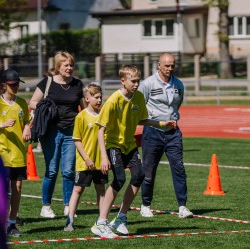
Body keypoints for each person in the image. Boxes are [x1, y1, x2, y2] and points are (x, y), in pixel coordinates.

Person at [91, 65, 176, 238]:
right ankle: (101, 222)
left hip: (129, 144)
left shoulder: (138, 97)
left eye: (138, 81)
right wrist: (104, 157)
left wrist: (161, 123)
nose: (137, 84)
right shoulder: (114, 100)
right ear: (123, 81)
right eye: (134, 81)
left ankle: (121, 217)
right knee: (120, 178)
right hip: (113, 144)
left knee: (139, 176)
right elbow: (100, 129)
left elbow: (143, 120)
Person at [29, 51, 85, 218]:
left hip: (71, 131)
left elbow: (83, 109)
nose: (69, 68)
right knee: (52, 170)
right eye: (65, 65)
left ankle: (69, 206)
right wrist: (44, 107)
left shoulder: (78, 84)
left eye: (71, 65)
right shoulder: (47, 82)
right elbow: (32, 102)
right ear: (58, 66)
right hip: (50, 132)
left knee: (68, 171)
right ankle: (46, 206)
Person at [138, 53, 193, 218]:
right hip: (152, 132)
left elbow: (177, 105)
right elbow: (139, 106)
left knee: (179, 169)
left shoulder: (179, 84)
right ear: (159, 65)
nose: (170, 69)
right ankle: (145, 205)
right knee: (148, 171)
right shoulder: (147, 84)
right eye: (167, 65)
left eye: (172, 65)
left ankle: (182, 206)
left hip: (173, 133)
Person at [64, 83, 108, 232]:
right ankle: (69, 219)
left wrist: (104, 158)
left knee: (101, 189)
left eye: (101, 97)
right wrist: (87, 158)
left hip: (100, 161)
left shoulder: (103, 115)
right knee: (78, 189)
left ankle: (102, 220)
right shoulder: (81, 116)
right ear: (87, 99)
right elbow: (77, 140)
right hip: (84, 162)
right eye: (96, 97)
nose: (100, 100)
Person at [0, 69, 31, 236]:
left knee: (17, 186)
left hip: (18, 152)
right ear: (4, 85)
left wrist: (27, 128)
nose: (16, 87)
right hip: (2, 152)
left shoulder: (22, 103)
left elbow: (26, 120)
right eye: (13, 85)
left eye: (18, 84)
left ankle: (12, 223)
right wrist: (2, 125)